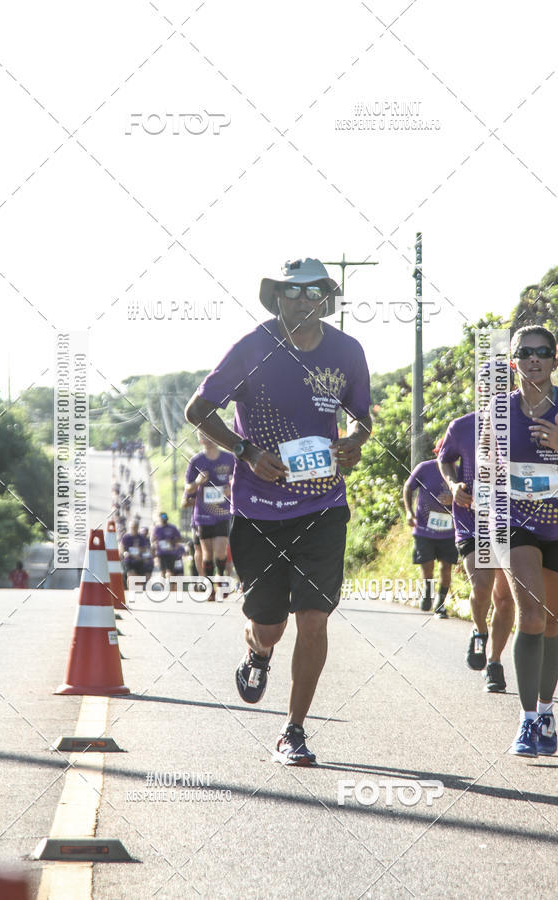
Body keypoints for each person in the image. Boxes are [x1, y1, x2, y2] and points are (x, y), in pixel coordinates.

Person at [186, 257, 371, 765]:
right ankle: (258, 650)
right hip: (259, 510)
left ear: (325, 300)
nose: (302, 301)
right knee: (270, 624)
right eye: (292, 292)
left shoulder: (348, 351)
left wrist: (353, 441)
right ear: (278, 298)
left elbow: (361, 417)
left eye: (313, 293)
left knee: (314, 620)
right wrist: (246, 451)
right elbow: (198, 410)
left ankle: (294, 730)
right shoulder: (253, 348)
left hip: (324, 505)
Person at [491, 326, 558, 756]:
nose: (533, 359)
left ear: (555, 360)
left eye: (542, 352)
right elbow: (488, 471)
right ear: (513, 361)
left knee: (552, 623)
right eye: (524, 353)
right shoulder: (497, 412)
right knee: (530, 616)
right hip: (516, 523)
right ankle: (527, 721)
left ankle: (546, 710)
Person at [438, 410, 515, 690]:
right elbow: (444, 459)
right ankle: (480, 630)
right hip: (473, 520)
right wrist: (453, 484)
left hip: (511, 519)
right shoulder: (462, 425)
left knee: (505, 599)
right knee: (482, 585)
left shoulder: (524, 421)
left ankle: (494, 663)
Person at [403, 444, 457, 617]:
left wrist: (454, 498)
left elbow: (470, 494)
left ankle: (440, 604)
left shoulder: (460, 471)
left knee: (445, 568)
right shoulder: (424, 468)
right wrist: (409, 512)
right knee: (427, 567)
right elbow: (407, 487)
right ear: (437, 452)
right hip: (424, 529)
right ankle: (427, 591)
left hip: (449, 530)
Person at [183, 433, 235, 593]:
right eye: (203, 436)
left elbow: (239, 479)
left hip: (222, 512)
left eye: (209, 434)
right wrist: (198, 482)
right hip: (203, 515)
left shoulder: (229, 458)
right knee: (207, 553)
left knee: (220, 551)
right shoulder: (196, 461)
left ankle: (220, 579)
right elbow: (187, 488)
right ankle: (209, 587)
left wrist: (230, 488)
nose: (208, 438)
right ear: (200, 440)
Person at [120, 520, 152, 587]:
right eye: (132, 527)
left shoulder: (141, 538)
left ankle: (138, 594)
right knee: (131, 576)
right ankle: (130, 592)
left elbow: (144, 549)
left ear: (137, 528)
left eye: (135, 527)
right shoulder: (126, 537)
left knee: (139, 578)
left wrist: (139, 550)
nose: (133, 529)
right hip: (129, 560)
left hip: (139, 560)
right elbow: (122, 548)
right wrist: (126, 553)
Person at [152, 512, 183, 579]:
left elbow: (180, 539)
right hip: (161, 553)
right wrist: (154, 547)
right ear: (159, 519)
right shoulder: (157, 529)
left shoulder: (172, 528)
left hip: (171, 553)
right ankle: (164, 586)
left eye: (164, 517)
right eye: (162, 518)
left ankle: (169, 586)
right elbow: (153, 540)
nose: (163, 519)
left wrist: (172, 541)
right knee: (162, 571)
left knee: (170, 571)